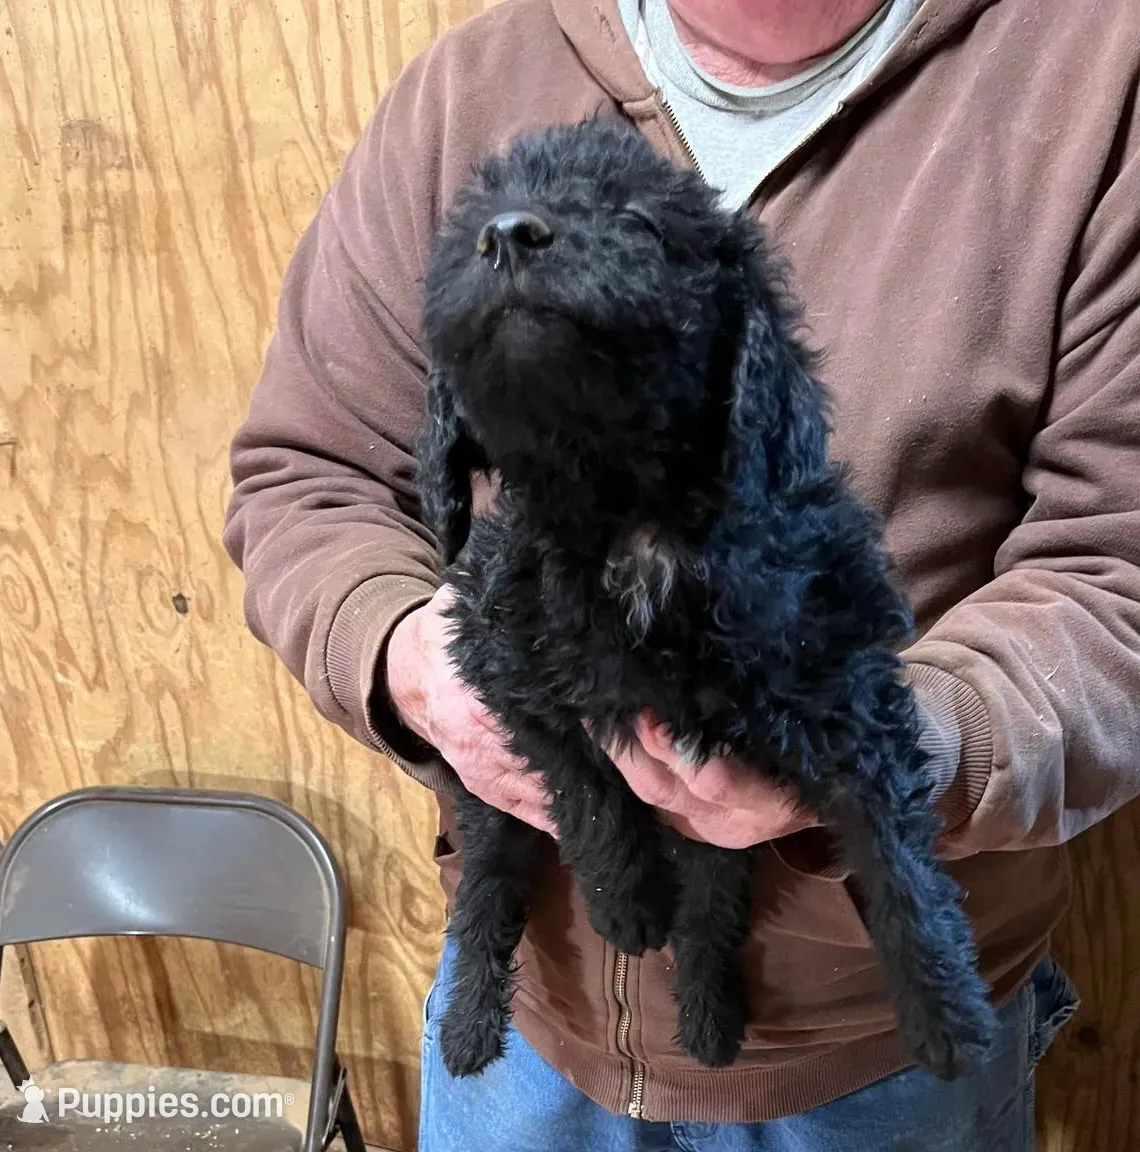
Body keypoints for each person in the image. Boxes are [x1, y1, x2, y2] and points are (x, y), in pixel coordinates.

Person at [223, 0, 1140, 1147]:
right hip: (531, 1020)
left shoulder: (1099, 78)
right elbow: (309, 472)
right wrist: (406, 656)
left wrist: (901, 744)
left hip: (869, 1051)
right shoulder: (472, 85)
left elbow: (1119, 572)